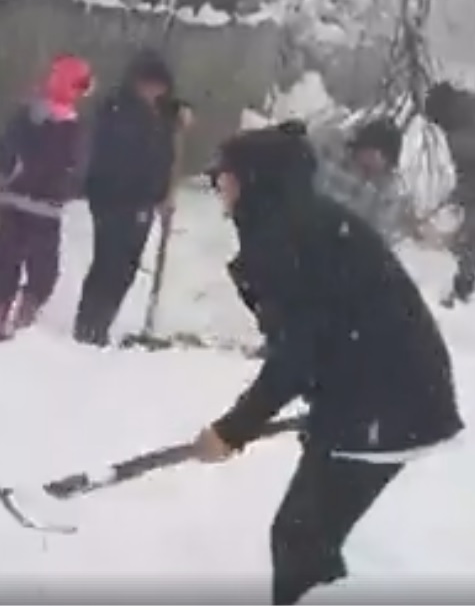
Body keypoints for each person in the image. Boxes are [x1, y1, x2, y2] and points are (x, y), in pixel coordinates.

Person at [193, 124, 463, 604]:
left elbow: (296, 353)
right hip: (385, 399)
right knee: (308, 540)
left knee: (301, 539)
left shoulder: (288, 235)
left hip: (385, 408)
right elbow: (321, 335)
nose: (218, 184)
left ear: (253, 178)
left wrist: (233, 428)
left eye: (226, 174)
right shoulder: (299, 222)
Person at [73, 49, 192, 346]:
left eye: (159, 85)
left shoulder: (162, 113)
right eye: (147, 84)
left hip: (144, 201)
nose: (153, 91)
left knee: (127, 265)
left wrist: (179, 113)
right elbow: (123, 156)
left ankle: (101, 323)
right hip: (113, 197)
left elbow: (166, 141)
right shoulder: (118, 111)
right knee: (109, 261)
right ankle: (89, 325)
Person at [0, 54, 94, 342]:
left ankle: (4, 320)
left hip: (24, 200)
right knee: (38, 268)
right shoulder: (62, 124)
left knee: (12, 263)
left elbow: (6, 149)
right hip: (38, 204)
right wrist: (69, 185)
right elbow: (74, 164)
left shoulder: (33, 116)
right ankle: (17, 322)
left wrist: (0, 174)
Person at [312, 115, 420, 244]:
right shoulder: (330, 153)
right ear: (359, 147)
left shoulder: (383, 194)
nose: (365, 177)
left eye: (372, 174)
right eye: (364, 168)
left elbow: (378, 235)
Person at [425, 81, 475, 305]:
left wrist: (454, 198)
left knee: (469, 236)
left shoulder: (458, 138)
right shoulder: (469, 107)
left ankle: (464, 286)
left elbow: (469, 178)